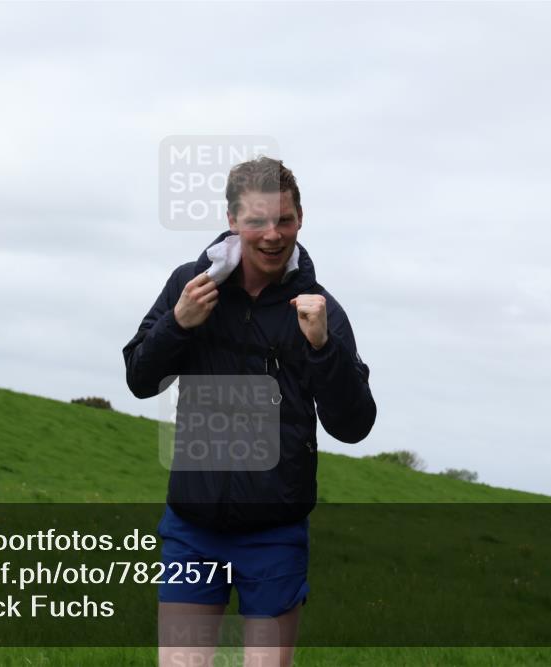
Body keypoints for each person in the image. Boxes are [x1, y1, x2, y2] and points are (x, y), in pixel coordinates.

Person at [122, 157, 376, 667]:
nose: (271, 235)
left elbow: (353, 426)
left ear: (300, 219)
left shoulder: (319, 307)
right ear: (233, 220)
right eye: (257, 221)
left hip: (274, 531)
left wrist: (323, 347)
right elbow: (140, 379)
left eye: (284, 220)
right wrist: (179, 323)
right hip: (192, 526)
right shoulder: (191, 285)